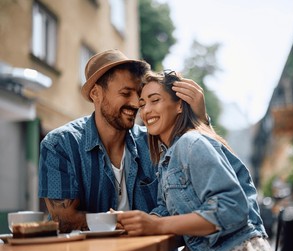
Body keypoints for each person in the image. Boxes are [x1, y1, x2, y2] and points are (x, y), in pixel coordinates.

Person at [38, 49, 208, 233]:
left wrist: (200, 119)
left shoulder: (155, 142)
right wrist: (118, 221)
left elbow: (188, 194)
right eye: (126, 93)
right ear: (96, 94)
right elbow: (64, 218)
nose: (136, 103)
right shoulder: (60, 144)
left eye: (138, 94)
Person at [118, 70, 275, 251]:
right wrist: (132, 222)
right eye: (142, 104)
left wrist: (157, 225)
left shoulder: (190, 143)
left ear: (179, 106)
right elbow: (166, 209)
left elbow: (232, 208)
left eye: (155, 100)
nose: (146, 110)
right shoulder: (167, 160)